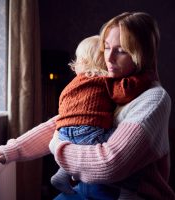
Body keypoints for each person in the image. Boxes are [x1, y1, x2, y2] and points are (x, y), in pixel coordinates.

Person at [0, 12, 175, 199]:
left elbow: (109, 164)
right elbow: (64, 123)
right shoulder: (110, 85)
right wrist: (9, 150)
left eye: (121, 51)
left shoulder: (153, 99)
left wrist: (58, 146)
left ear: (141, 55)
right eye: (107, 47)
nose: (108, 58)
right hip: (88, 189)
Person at [50, 35, 151, 199]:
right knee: (135, 154)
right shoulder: (105, 80)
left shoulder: (73, 83)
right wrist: (145, 78)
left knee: (77, 143)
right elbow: (125, 92)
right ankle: (128, 192)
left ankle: (62, 174)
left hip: (62, 132)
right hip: (89, 131)